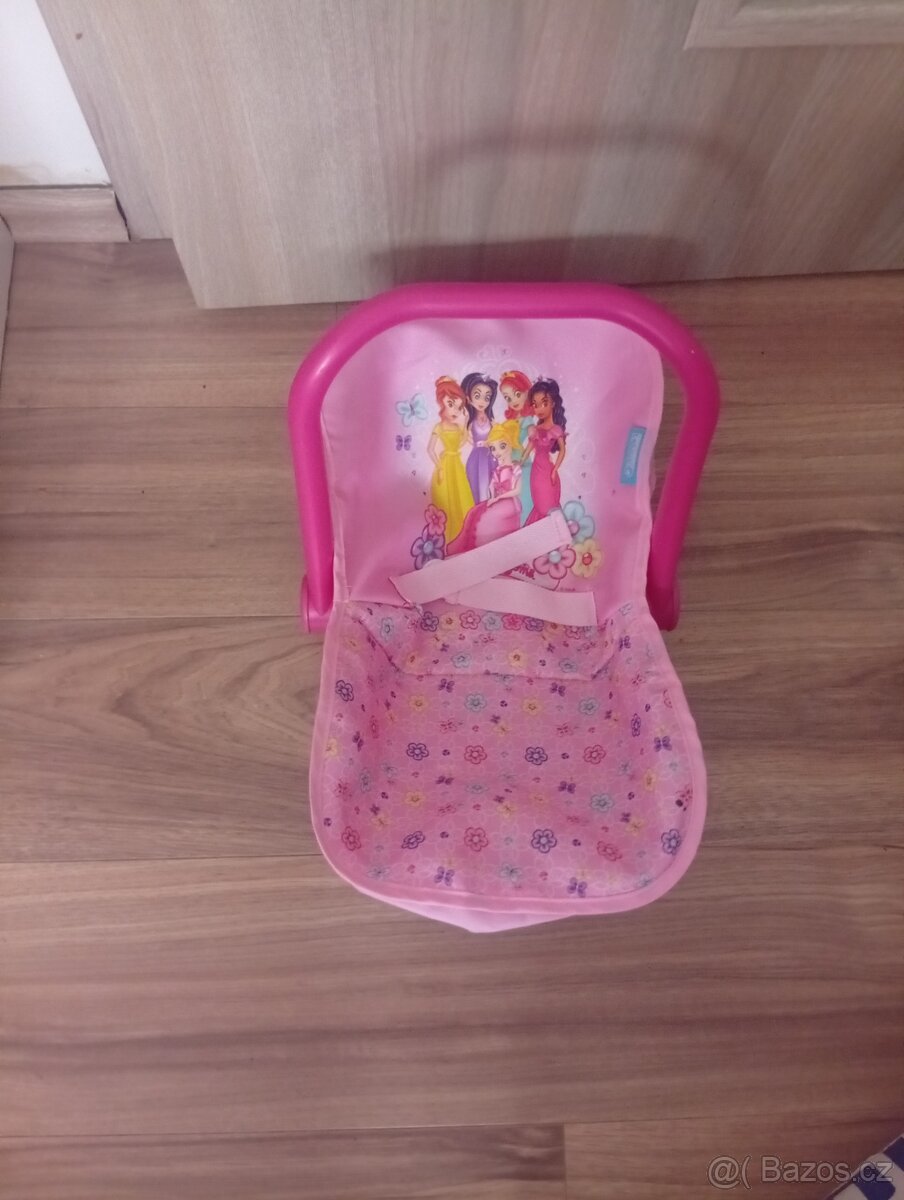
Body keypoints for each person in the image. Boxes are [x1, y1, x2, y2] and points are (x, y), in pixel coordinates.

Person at [446, 420, 522, 555]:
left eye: (502, 446)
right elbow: (491, 486)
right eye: (493, 448)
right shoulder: (497, 469)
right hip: (497, 501)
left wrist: (498, 498)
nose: (497, 452)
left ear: (510, 445)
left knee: (486, 518)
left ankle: (483, 548)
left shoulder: (515, 469)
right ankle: (470, 548)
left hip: (510, 503)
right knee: (473, 512)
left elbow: (517, 490)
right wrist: (492, 497)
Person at [427, 376, 474, 542]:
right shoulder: (439, 427)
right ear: (441, 403)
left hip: (456, 465)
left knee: (461, 495)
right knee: (448, 497)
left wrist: (465, 422)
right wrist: (439, 466)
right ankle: (450, 535)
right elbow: (430, 449)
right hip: (446, 466)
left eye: (459, 407)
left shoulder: (457, 426)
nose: (455, 411)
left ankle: (464, 533)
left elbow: (461, 443)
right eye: (450, 404)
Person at [523, 378, 567, 525]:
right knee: (539, 502)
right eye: (535, 405)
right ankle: (540, 531)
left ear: (553, 403)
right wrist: (521, 461)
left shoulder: (556, 429)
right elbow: (529, 447)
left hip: (548, 471)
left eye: (544, 403)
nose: (539, 409)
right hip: (536, 472)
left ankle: (554, 529)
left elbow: (562, 450)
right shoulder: (536, 430)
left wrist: (555, 470)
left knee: (547, 504)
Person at [500, 368, 535, 523]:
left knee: (523, 494)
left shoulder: (527, 419)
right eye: (508, 398)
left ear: (527, 392)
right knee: (511, 494)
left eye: (517, 394)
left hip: (521, 460)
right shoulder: (511, 419)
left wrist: (523, 458)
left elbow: (533, 440)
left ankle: (526, 523)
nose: (513, 401)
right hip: (508, 460)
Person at [461, 372, 498, 503]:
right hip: (475, 457)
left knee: (490, 487)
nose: (482, 401)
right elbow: (464, 437)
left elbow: (498, 436)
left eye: (486, 397)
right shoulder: (469, 419)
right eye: (477, 396)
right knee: (476, 487)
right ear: (469, 398)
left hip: (490, 457)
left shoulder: (491, 420)